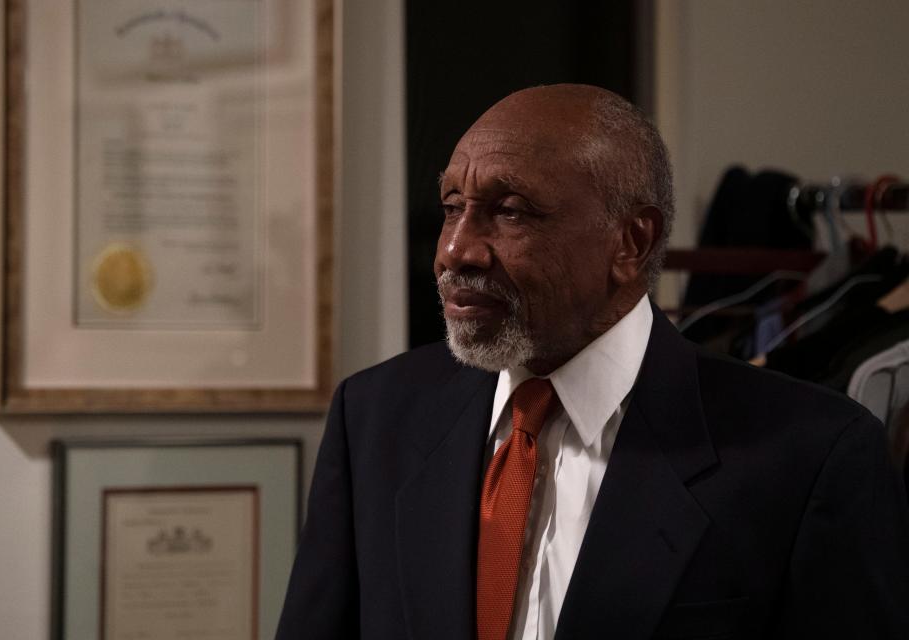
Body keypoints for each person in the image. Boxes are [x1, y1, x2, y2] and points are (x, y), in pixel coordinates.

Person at [276, 84, 909, 639]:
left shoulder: (810, 454)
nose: (454, 251)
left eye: (510, 211)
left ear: (631, 242)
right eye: (451, 207)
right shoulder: (376, 417)